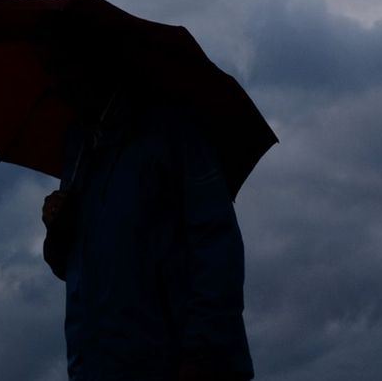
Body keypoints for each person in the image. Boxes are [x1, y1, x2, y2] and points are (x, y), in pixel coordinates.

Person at [40, 51, 255, 381]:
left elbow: (216, 245)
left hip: (177, 364)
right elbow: (81, 270)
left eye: (60, 68)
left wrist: (203, 355)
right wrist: (58, 233)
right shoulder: (80, 149)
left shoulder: (171, 130)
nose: (53, 84)